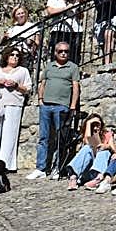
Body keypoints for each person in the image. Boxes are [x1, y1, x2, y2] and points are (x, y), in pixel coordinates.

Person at [26, 41, 80, 180]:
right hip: (46, 106)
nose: (63, 53)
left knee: (59, 139)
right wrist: (40, 100)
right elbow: (42, 84)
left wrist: (72, 106)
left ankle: (57, 168)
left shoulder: (73, 68)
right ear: (55, 52)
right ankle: (41, 168)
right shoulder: (49, 66)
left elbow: (75, 88)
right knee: (44, 137)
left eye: (66, 51)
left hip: (62, 106)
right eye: (60, 51)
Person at [0, 46, 32, 170]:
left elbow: (27, 89)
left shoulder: (23, 71)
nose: (15, 57)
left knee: (10, 135)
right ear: (6, 56)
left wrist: (16, 85)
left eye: (17, 55)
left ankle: (6, 164)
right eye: (12, 55)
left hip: (14, 104)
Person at [66, 114, 114, 190]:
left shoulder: (107, 134)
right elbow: (86, 142)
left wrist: (106, 146)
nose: (96, 126)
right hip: (86, 171)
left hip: (101, 170)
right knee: (87, 147)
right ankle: (73, 177)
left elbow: (114, 150)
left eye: (97, 123)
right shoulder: (87, 134)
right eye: (93, 124)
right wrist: (89, 123)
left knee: (104, 151)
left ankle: (98, 179)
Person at [45, 0, 82, 65]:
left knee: (73, 53)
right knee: (58, 52)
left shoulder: (72, 0)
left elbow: (81, 16)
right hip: (59, 29)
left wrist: (79, 7)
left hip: (74, 30)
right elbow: (50, 11)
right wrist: (66, 8)